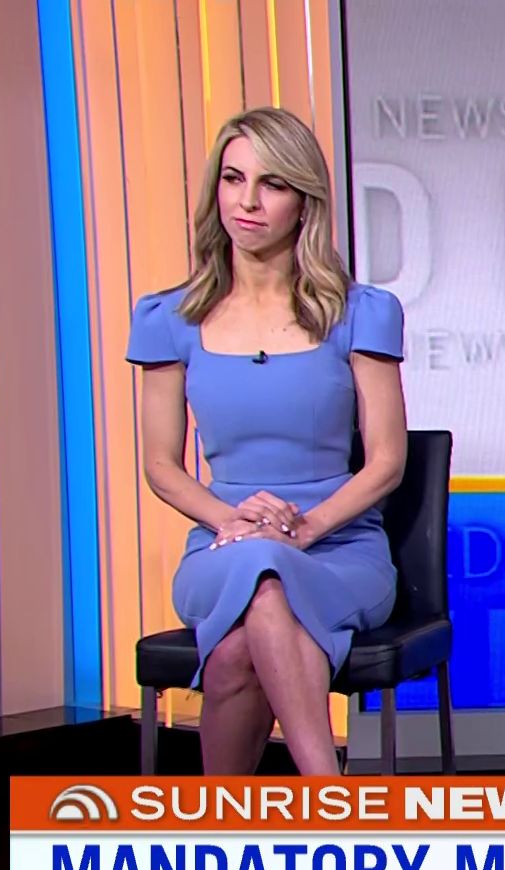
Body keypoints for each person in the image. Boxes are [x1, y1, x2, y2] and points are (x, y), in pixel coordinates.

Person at [126, 106, 408, 776]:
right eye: (234, 179)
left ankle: (230, 824)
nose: (247, 201)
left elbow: (388, 462)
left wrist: (303, 529)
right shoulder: (169, 318)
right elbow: (161, 465)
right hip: (222, 546)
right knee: (261, 577)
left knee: (234, 651)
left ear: (304, 201)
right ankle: (329, 795)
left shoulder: (359, 312)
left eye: (272, 183)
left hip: (340, 548)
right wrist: (232, 522)